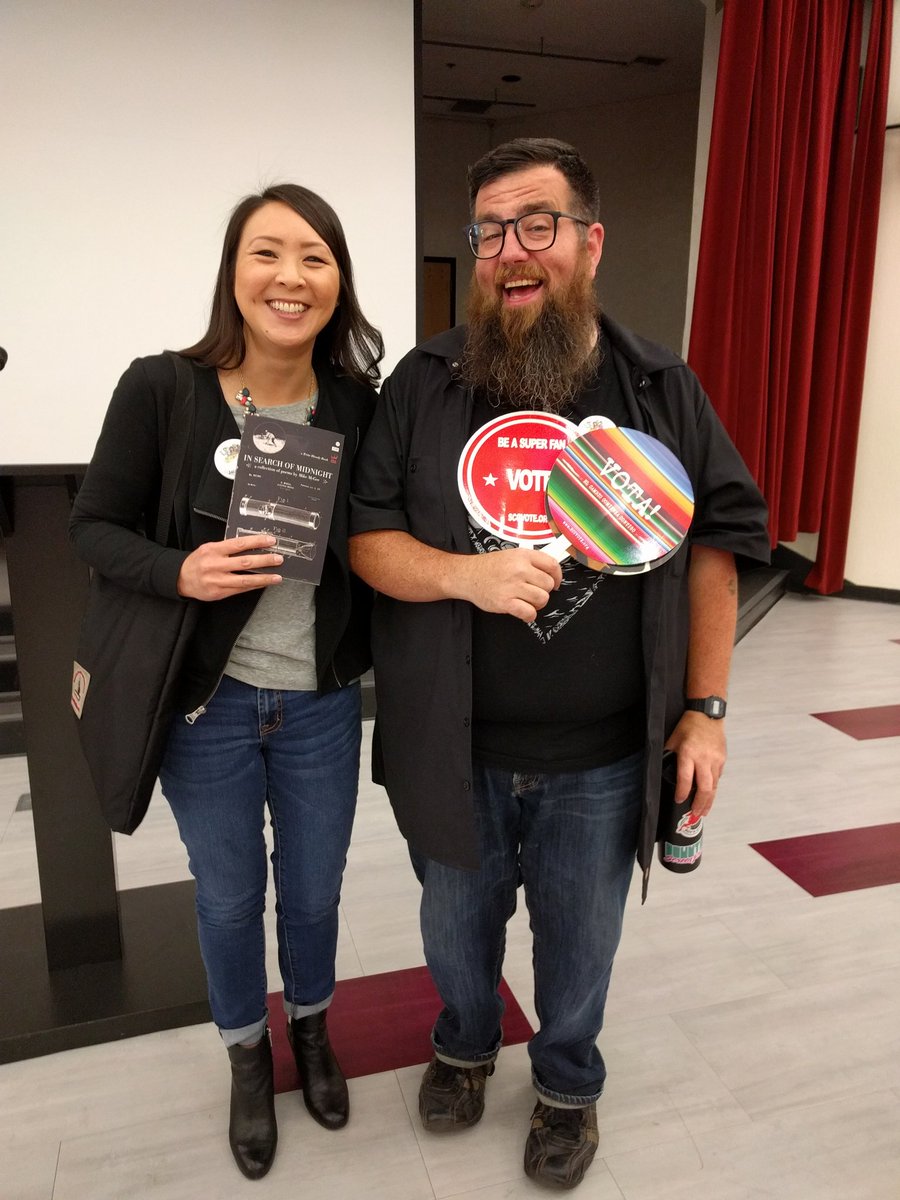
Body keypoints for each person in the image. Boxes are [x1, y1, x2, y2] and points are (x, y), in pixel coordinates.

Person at [349, 138, 770, 1190]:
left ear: (589, 241)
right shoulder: (424, 383)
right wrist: (466, 577)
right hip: (453, 746)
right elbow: (366, 540)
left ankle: (568, 1084)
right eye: (490, 230)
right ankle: (462, 1041)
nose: (510, 250)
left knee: (581, 952)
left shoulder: (658, 385)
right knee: (454, 935)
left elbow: (719, 543)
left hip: (605, 757)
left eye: (536, 223)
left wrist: (707, 708)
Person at [70, 183, 382, 1180]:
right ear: (233, 272)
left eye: (314, 257)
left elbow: (379, 544)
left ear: (337, 282)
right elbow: (93, 528)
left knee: (316, 894)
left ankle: (316, 1033)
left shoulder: (355, 406)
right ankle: (249, 1057)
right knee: (228, 896)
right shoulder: (162, 387)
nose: (290, 276)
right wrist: (181, 571)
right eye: (268, 253)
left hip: (323, 701)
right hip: (208, 703)